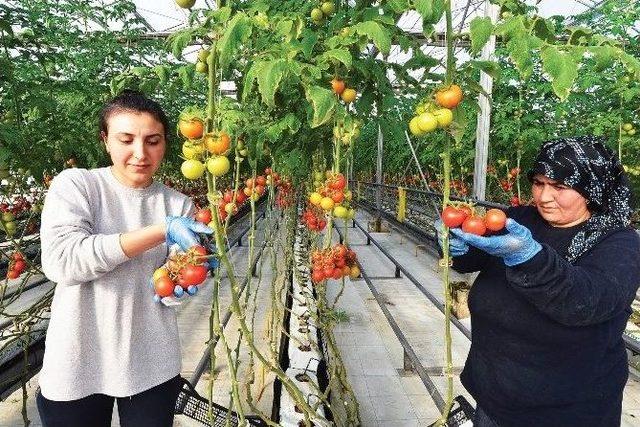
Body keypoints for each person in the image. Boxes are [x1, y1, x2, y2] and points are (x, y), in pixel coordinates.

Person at [36, 91, 213, 427]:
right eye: (126, 139)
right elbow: (63, 262)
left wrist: (184, 283)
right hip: (77, 362)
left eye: (153, 141)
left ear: (165, 145)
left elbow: (171, 284)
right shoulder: (78, 186)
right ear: (106, 141)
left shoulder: (179, 205)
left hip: (150, 363)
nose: (139, 154)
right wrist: (159, 231)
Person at [436, 136, 640, 426]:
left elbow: (587, 301)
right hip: (493, 397)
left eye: (559, 186)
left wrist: (530, 258)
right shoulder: (520, 219)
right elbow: (473, 259)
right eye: (539, 182)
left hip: (565, 412)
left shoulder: (619, 243)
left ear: (591, 189)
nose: (543, 196)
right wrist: (455, 245)